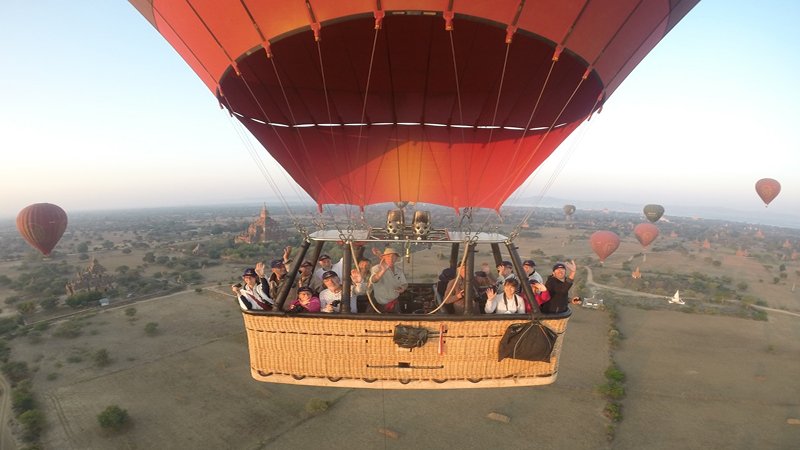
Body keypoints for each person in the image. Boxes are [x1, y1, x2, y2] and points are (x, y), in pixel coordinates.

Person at [369, 247, 408, 313]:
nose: (391, 259)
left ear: (396, 258)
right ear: (384, 257)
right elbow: (373, 280)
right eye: (389, 256)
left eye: (394, 256)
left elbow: (405, 283)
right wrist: (382, 271)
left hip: (395, 303)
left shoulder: (399, 270)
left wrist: (403, 288)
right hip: (379, 306)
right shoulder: (376, 268)